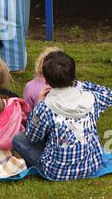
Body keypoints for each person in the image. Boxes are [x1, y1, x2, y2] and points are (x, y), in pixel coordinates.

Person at [13, 51, 112, 181]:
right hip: (91, 165)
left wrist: (39, 103)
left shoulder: (44, 107)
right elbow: (108, 93)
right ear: (73, 75)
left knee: (18, 139)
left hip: (55, 171)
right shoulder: (93, 99)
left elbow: (32, 137)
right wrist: (78, 84)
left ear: (47, 80)